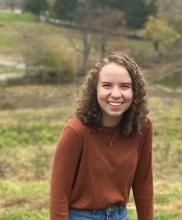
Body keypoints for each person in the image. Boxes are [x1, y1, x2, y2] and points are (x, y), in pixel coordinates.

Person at [50, 52, 153, 220]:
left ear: (135, 91)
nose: (116, 94)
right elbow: (59, 195)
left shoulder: (142, 127)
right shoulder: (75, 132)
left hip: (120, 215)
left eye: (125, 86)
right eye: (107, 86)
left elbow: (144, 184)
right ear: (95, 89)